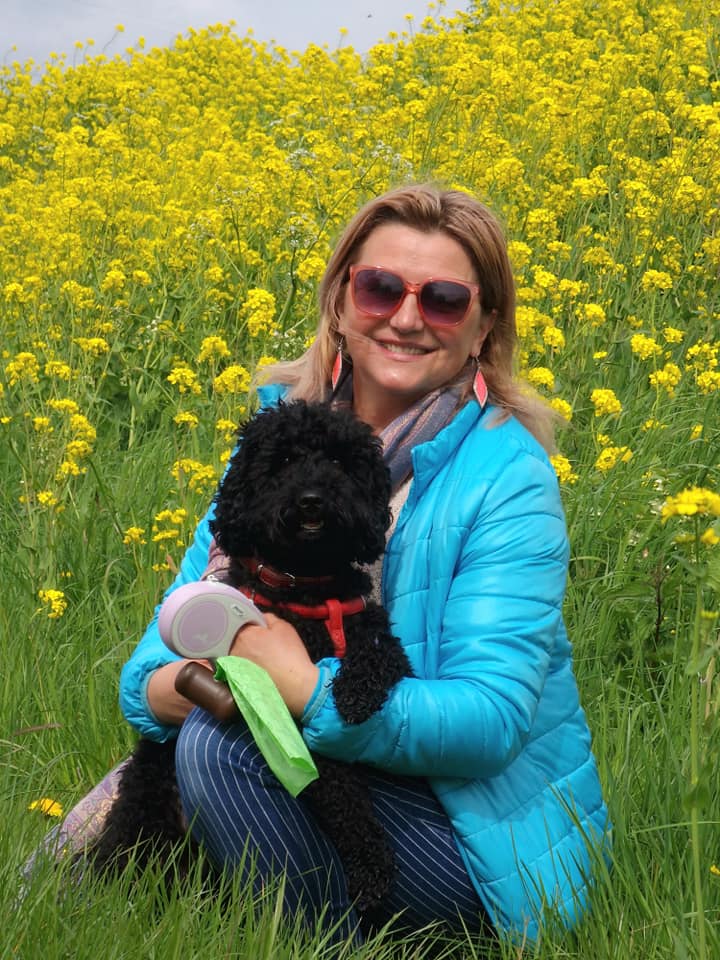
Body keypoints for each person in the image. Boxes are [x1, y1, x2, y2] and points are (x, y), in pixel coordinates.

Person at [120, 184, 610, 944]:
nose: (407, 318)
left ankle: (336, 937)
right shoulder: (278, 440)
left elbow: (490, 722)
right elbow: (154, 661)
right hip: (343, 776)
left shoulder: (507, 476)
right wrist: (189, 683)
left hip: (478, 833)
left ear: (483, 327)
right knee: (201, 741)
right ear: (341, 303)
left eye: (444, 299)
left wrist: (300, 690)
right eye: (381, 287)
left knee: (222, 751)